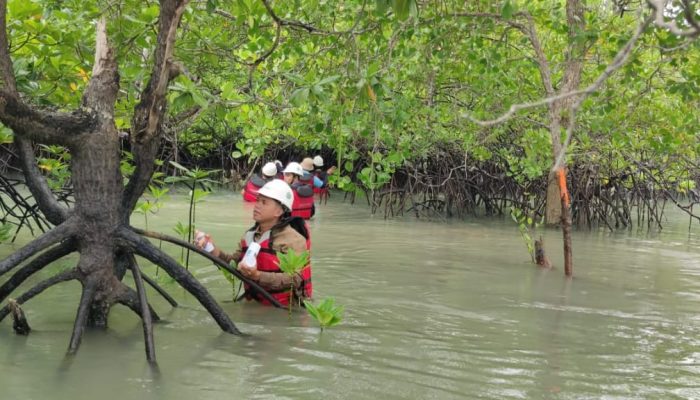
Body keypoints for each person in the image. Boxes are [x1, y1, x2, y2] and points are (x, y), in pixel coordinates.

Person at [195, 180, 312, 306]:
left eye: (264, 202)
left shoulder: (294, 240)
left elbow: (296, 279)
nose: (257, 206)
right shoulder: (249, 236)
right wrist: (210, 248)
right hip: (255, 304)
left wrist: (257, 276)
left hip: (285, 309)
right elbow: (233, 264)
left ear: (279, 211)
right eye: (257, 200)